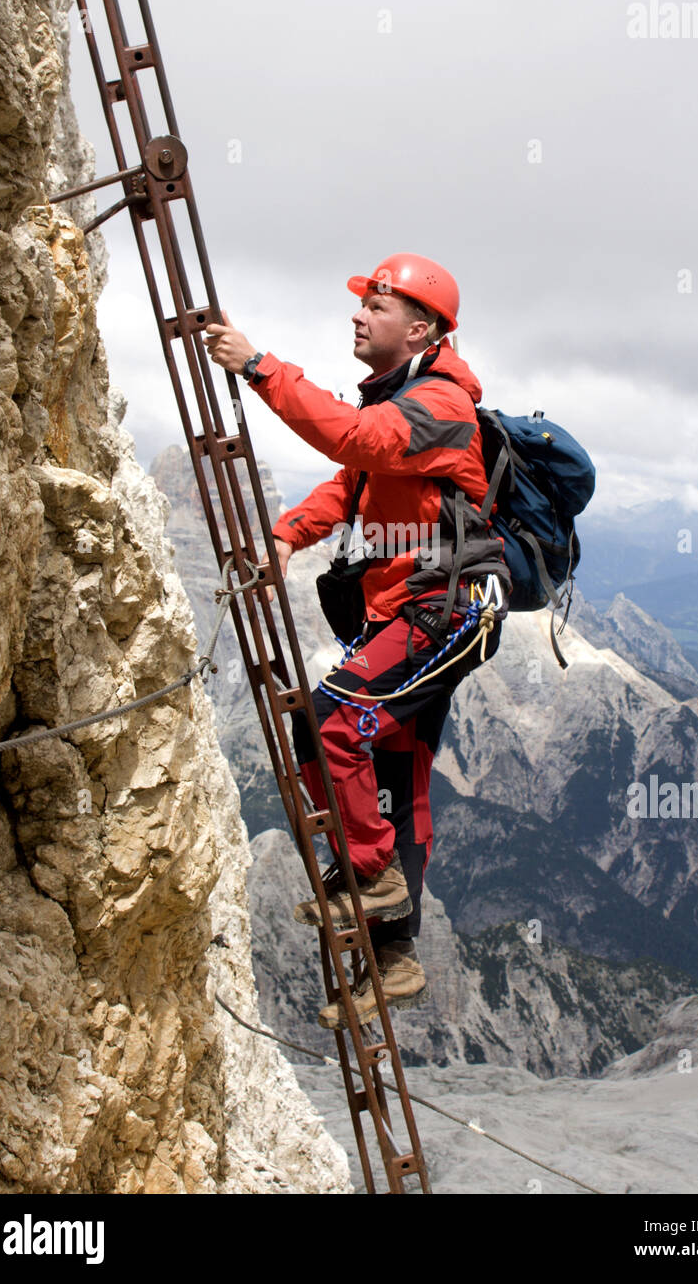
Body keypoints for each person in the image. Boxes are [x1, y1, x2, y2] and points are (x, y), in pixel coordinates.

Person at [205, 253, 510, 1029]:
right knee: (386, 773)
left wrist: (261, 368)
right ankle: (395, 957)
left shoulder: (438, 404)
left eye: (376, 305)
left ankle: (371, 877)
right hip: (413, 616)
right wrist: (288, 535)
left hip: (448, 612)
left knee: (340, 716)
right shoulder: (403, 399)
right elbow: (356, 482)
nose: (358, 314)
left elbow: (352, 441)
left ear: (420, 327)